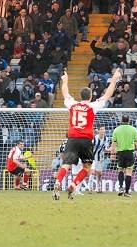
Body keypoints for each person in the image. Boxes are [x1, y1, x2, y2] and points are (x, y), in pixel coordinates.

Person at [52, 68, 122, 200]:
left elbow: (65, 93)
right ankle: (73, 185)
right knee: (87, 166)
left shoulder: (72, 104)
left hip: (72, 138)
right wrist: (114, 79)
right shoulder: (92, 106)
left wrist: (65, 80)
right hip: (85, 140)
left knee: (66, 164)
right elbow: (108, 95)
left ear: (80, 96)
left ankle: (57, 183)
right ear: (90, 97)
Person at [110, 114, 137, 197]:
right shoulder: (133, 129)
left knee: (120, 170)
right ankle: (127, 191)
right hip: (129, 153)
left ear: (121, 120)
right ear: (129, 120)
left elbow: (114, 143)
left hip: (120, 153)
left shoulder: (116, 130)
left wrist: (112, 153)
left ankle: (120, 187)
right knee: (129, 172)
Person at [88, 125, 110, 193]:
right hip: (93, 157)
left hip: (100, 158)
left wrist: (110, 149)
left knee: (99, 173)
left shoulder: (106, 139)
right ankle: (90, 188)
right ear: (98, 131)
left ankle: (98, 188)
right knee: (92, 172)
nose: (103, 131)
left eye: (104, 129)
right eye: (101, 129)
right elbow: (90, 148)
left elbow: (106, 149)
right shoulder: (94, 138)